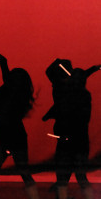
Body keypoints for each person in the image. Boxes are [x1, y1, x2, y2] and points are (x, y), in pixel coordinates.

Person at [43, 59, 101, 199]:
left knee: (62, 177)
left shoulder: (62, 90)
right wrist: (94, 68)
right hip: (81, 140)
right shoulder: (84, 94)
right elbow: (80, 76)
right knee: (81, 176)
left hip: (65, 139)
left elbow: (50, 72)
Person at [0, 53, 39, 199]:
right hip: (12, 136)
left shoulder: (13, 93)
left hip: (10, 137)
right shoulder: (14, 93)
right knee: (22, 172)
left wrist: (3, 62)